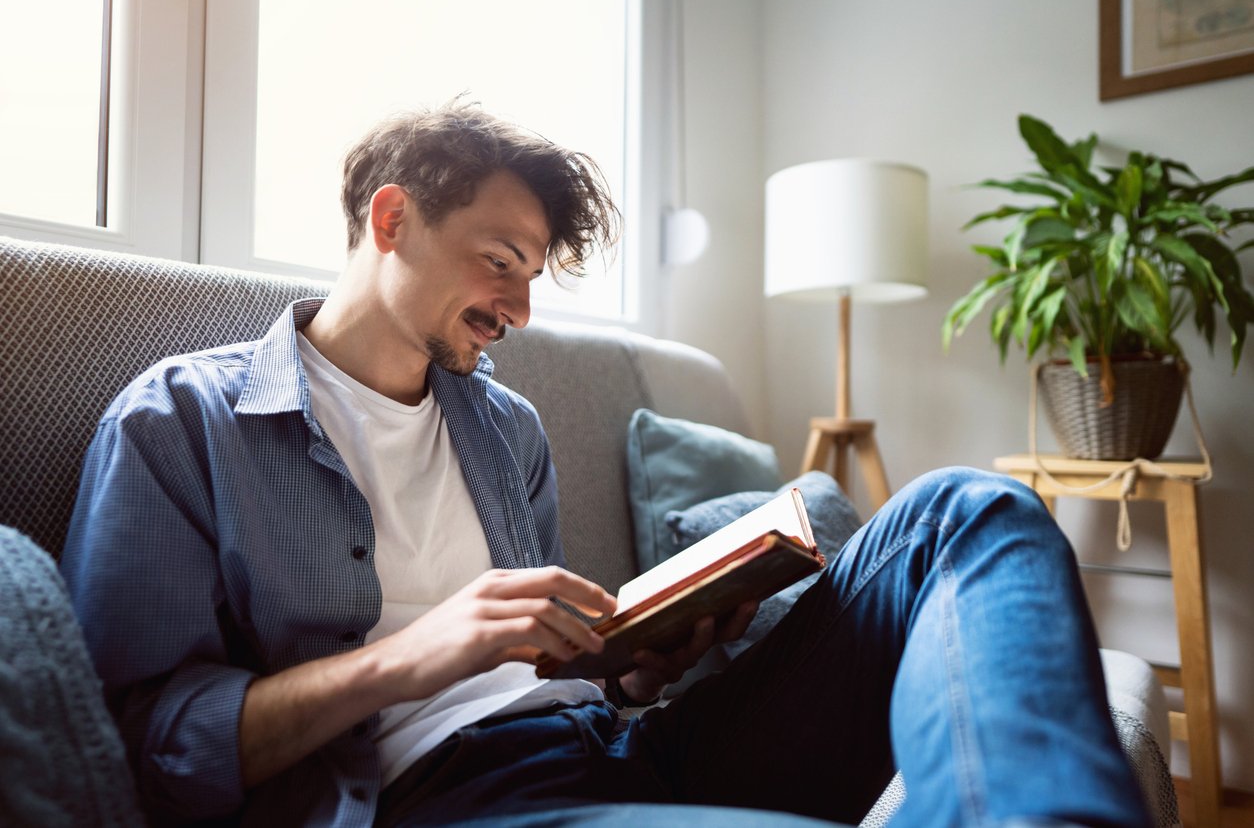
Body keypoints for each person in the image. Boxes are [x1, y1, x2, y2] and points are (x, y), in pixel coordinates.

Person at [61, 103, 1152, 827]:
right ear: (391, 219)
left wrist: (640, 660)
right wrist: (418, 654)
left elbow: (551, 671)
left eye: (532, 277)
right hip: (443, 798)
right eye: (500, 261)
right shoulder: (180, 422)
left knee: (970, 508)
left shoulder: (506, 427)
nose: (518, 309)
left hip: (623, 740)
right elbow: (148, 744)